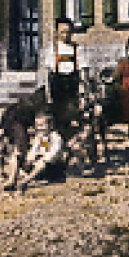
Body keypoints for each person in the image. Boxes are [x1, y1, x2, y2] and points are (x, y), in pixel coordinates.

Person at [38, 18, 81, 179]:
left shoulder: (77, 50)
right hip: (57, 88)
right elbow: (48, 76)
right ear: (57, 33)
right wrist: (48, 95)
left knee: (69, 126)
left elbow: (82, 74)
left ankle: (66, 160)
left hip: (72, 88)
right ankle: (47, 160)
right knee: (51, 127)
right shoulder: (52, 50)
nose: (66, 35)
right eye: (63, 32)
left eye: (69, 32)